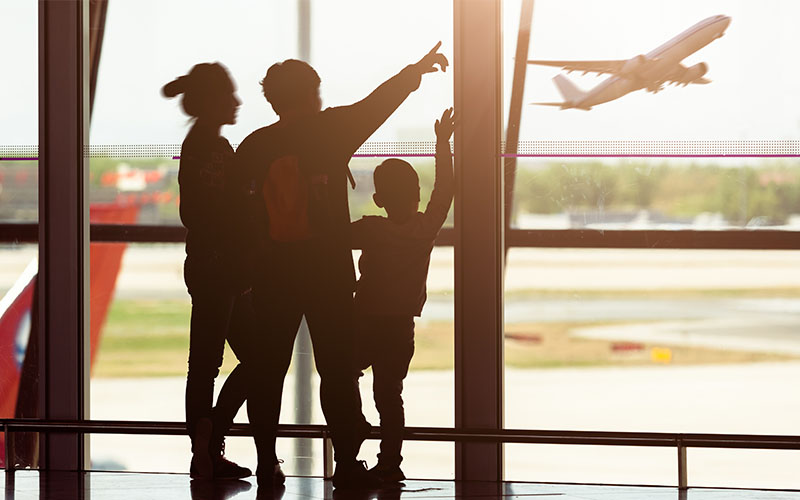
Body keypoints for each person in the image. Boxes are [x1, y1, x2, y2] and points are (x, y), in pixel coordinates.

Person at [235, 43, 448, 489]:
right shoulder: (329, 131)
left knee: (268, 371)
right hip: (327, 274)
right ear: (312, 93)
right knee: (336, 371)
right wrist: (414, 71)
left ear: (273, 100)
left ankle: (266, 461)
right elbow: (378, 104)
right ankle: (347, 463)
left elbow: (238, 216)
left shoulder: (254, 146)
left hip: (273, 275)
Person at [350, 108, 455, 483]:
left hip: (363, 320)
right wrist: (442, 144)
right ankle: (390, 464)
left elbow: (330, 238)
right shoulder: (424, 228)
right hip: (399, 327)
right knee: (390, 397)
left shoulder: (370, 230)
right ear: (417, 195)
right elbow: (446, 190)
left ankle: (352, 432)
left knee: (345, 376)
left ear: (378, 199)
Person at [163, 62, 252, 481]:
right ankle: (209, 436)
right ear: (213, 101)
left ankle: (206, 442)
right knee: (252, 359)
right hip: (223, 268)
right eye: (229, 95)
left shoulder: (200, 145)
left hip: (207, 266)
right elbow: (212, 211)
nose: (236, 102)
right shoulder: (213, 150)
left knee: (205, 362)